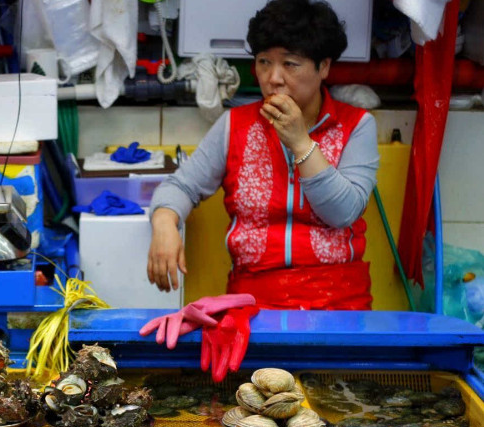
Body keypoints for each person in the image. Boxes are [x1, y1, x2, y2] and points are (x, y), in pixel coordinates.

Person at [147, 0, 379, 310]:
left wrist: (300, 142)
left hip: (338, 303)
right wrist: (164, 222)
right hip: (253, 304)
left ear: (323, 66)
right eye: (263, 62)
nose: (273, 78)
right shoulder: (235, 125)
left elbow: (343, 212)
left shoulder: (357, 126)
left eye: (290, 64)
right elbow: (181, 185)